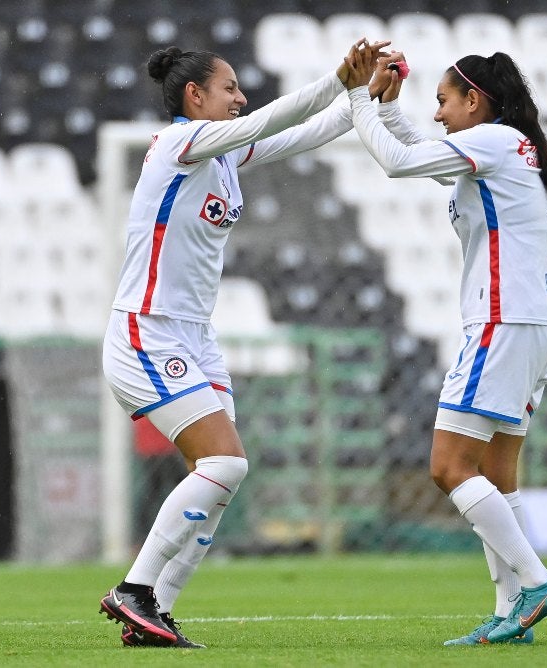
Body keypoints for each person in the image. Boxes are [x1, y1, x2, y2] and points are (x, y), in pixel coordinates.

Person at [97, 40, 395, 649]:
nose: (241, 98)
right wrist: (336, 75)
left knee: (223, 477)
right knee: (226, 463)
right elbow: (275, 118)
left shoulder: (225, 154)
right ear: (194, 97)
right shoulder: (179, 143)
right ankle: (134, 589)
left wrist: (368, 94)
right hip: (147, 329)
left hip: (193, 335)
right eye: (229, 88)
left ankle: (155, 613)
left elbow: (309, 133)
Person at [341, 47, 547, 646]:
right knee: (498, 473)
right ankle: (512, 609)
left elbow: (398, 164)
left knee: (448, 467)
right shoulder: (512, 143)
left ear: (475, 100)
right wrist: (389, 108)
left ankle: (537, 583)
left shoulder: (492, 141)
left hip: (502, 321)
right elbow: (430, 159)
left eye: (444, 101)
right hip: (536, 322)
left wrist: (358, 95)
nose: (438, 115)